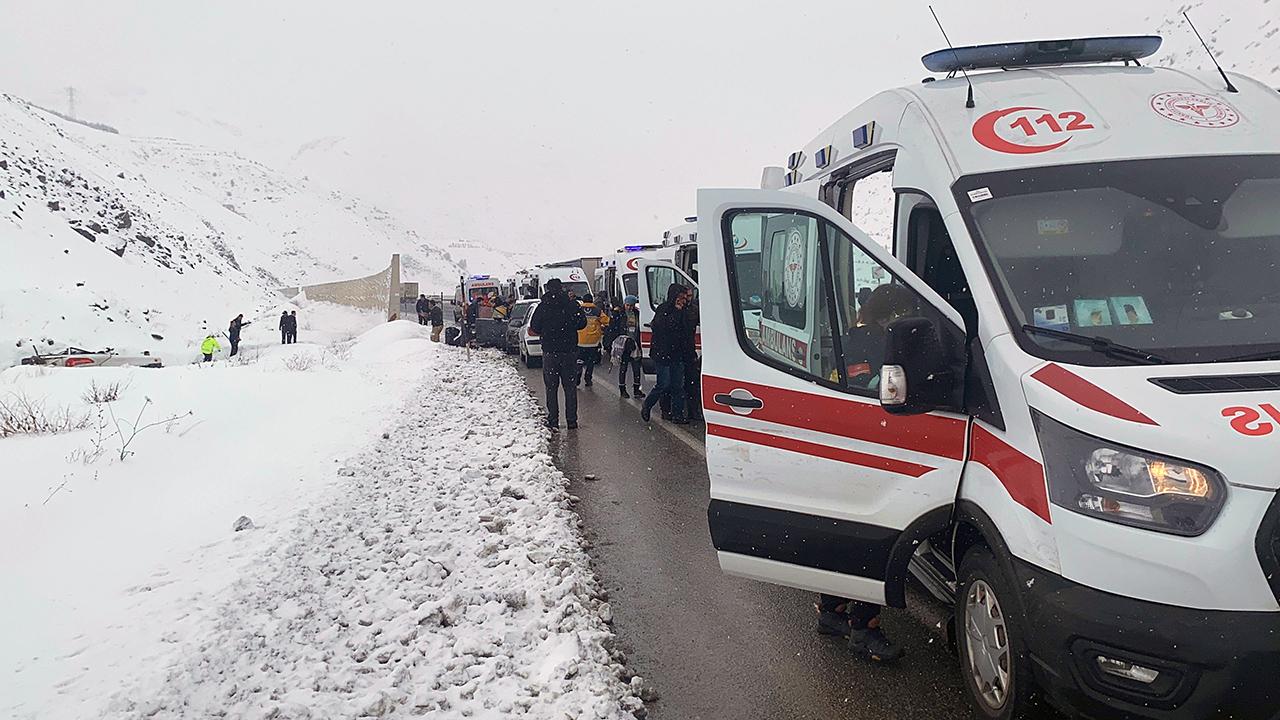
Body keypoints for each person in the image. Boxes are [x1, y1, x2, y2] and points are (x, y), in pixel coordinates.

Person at [811, 283, 916, 664]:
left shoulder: (850, 337)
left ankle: (832, 611)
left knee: (841, 539)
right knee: (875, 544)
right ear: (891, 316)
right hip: (870, 448)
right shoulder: (878, 342)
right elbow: (877, 394)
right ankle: (864, 628)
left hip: (842, 448)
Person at [528, 278, 586, 430]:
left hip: (550, 352)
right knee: (570, 388)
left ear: (547, 289)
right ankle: (571, 420)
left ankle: (553, 419)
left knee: (551, 388)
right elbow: (582, 323)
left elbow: (534, 326)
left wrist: (548, 331)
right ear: (561, 288)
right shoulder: (572, 305)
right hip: (569, 352)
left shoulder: (543, 306)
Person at [641, 283, 692, 424]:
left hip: (677, 353)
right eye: (680, 297)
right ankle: (648, 404)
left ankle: (678, 415)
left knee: (678, 386)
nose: (682, 300)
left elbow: (686, 333)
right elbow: (665, 328)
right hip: (662, 353)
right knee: (663, 384)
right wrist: (676, 311)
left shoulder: (685, 312)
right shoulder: (664, 309)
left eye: (684, 297)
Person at [609, 295, 645, 399]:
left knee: (636, 368)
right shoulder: (620, 314)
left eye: (631, 305)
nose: (629, 307)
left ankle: (636, 389)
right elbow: (613, 328)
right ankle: (622, 389)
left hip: (635, 344)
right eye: (627, 305)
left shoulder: (637, 314)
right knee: (623, 367)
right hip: (623, 344)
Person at [575, 292, 609, 388]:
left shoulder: (579, 310)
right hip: (593, 342)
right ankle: (588, 379)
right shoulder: (597, 311)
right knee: (590, 362)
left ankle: (577, 377)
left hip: (580, 340)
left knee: (579, 360)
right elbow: (606, 321)